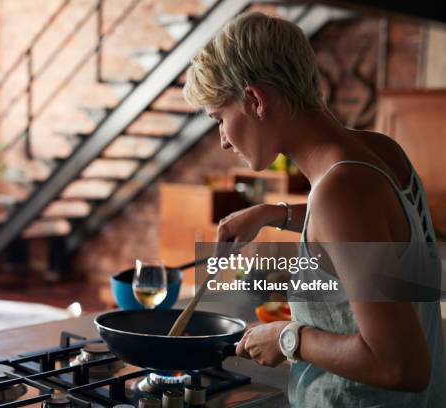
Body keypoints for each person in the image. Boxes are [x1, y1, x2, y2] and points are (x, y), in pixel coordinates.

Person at [183, 11, 445, 407]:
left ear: (255, 100)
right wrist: (276, 213)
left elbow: (402, 366)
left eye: (220, 118)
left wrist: (289, 338)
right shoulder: (379, 152)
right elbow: (369, 229)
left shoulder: (340, 194)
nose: (222, 140)